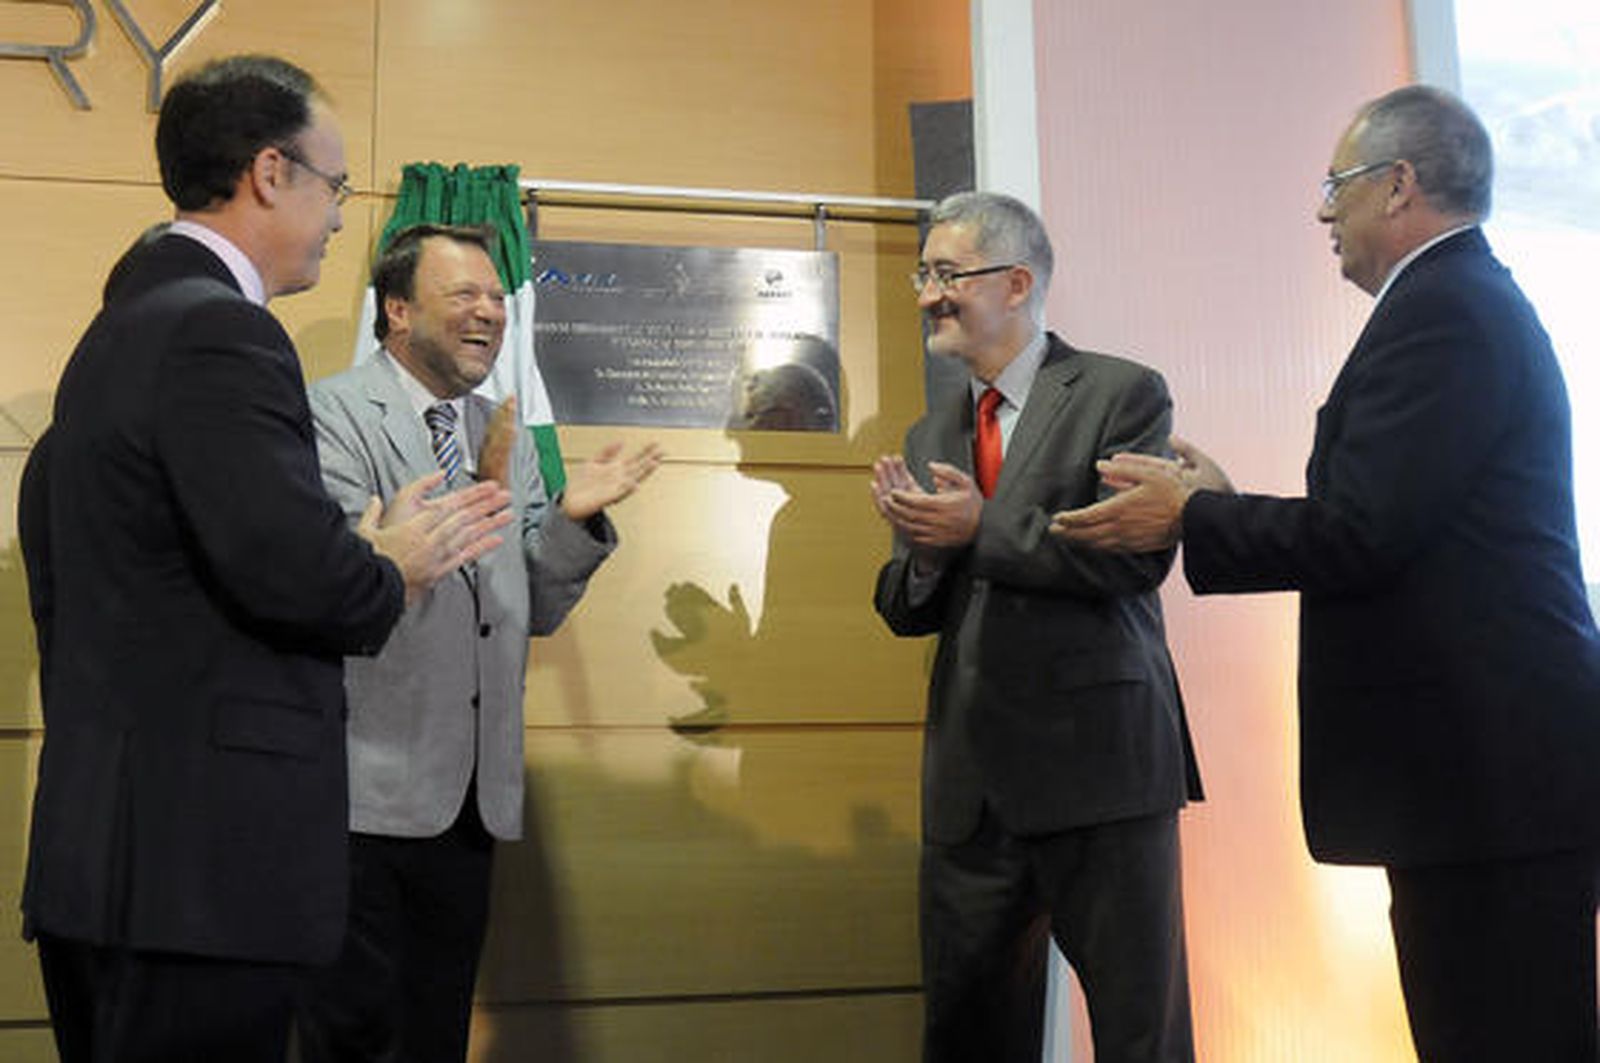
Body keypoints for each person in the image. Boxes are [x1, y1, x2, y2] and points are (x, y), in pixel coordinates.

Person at [1052, 86, 1600, 1061]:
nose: (1321, 211)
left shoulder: (1448, 311)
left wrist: (1194, 514)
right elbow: (1385, 520)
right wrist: (1212, 502)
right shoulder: (1454, 302)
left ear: (1398, 187)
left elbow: (1365, 533)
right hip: (1479, 782)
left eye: (1335, 184)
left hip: (1488, 781)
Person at [18, 55, 513, 1063]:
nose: (339, 215)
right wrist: (390, 563)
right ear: (270, 172)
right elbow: (295, 576)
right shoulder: (221, 333)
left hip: (117, 861)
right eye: (334, 184)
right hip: (193, 873)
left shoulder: (121, 330)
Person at [294, 223, 660, 1061]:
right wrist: (422, 534)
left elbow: (523, 606)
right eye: (463, 295)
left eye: (497, 298)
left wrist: (572, 519)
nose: (489, 313)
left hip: (471, 795)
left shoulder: (501, 428)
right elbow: (343, 582)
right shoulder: (331, 414)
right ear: (395, 311)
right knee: (350, 1036)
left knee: (435, 1030)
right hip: (364, 791)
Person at [871, 190, 1202, 1062]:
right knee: (967, 1032)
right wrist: (928, 555)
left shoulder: (1120, 392)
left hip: (1102, 773)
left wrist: (979, 530)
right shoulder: (930, 425)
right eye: (924, 274)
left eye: (947, 274)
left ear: (1016, 282)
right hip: (971, 790)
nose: (928, 295)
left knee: (1142, 1034)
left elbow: (1131, 560)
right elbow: (907, 606)